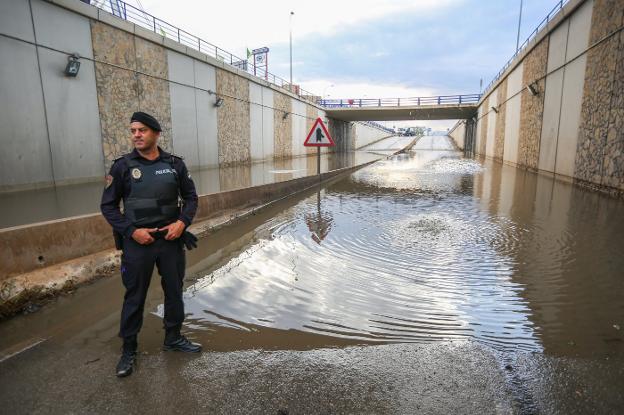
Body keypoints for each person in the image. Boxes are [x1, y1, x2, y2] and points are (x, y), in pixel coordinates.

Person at [101, 111, 201, 378]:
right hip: (138, 244)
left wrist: (182, 223)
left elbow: (191, 198)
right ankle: (129, 349)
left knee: (174, 291)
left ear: (156, 133)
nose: (136, 135)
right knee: (134, 296)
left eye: (142, 130)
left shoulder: (175, 164)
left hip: (170, 241)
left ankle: (173, 338)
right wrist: (131, 232)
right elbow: (108, 207)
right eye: (133, 131)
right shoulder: (121, 167)